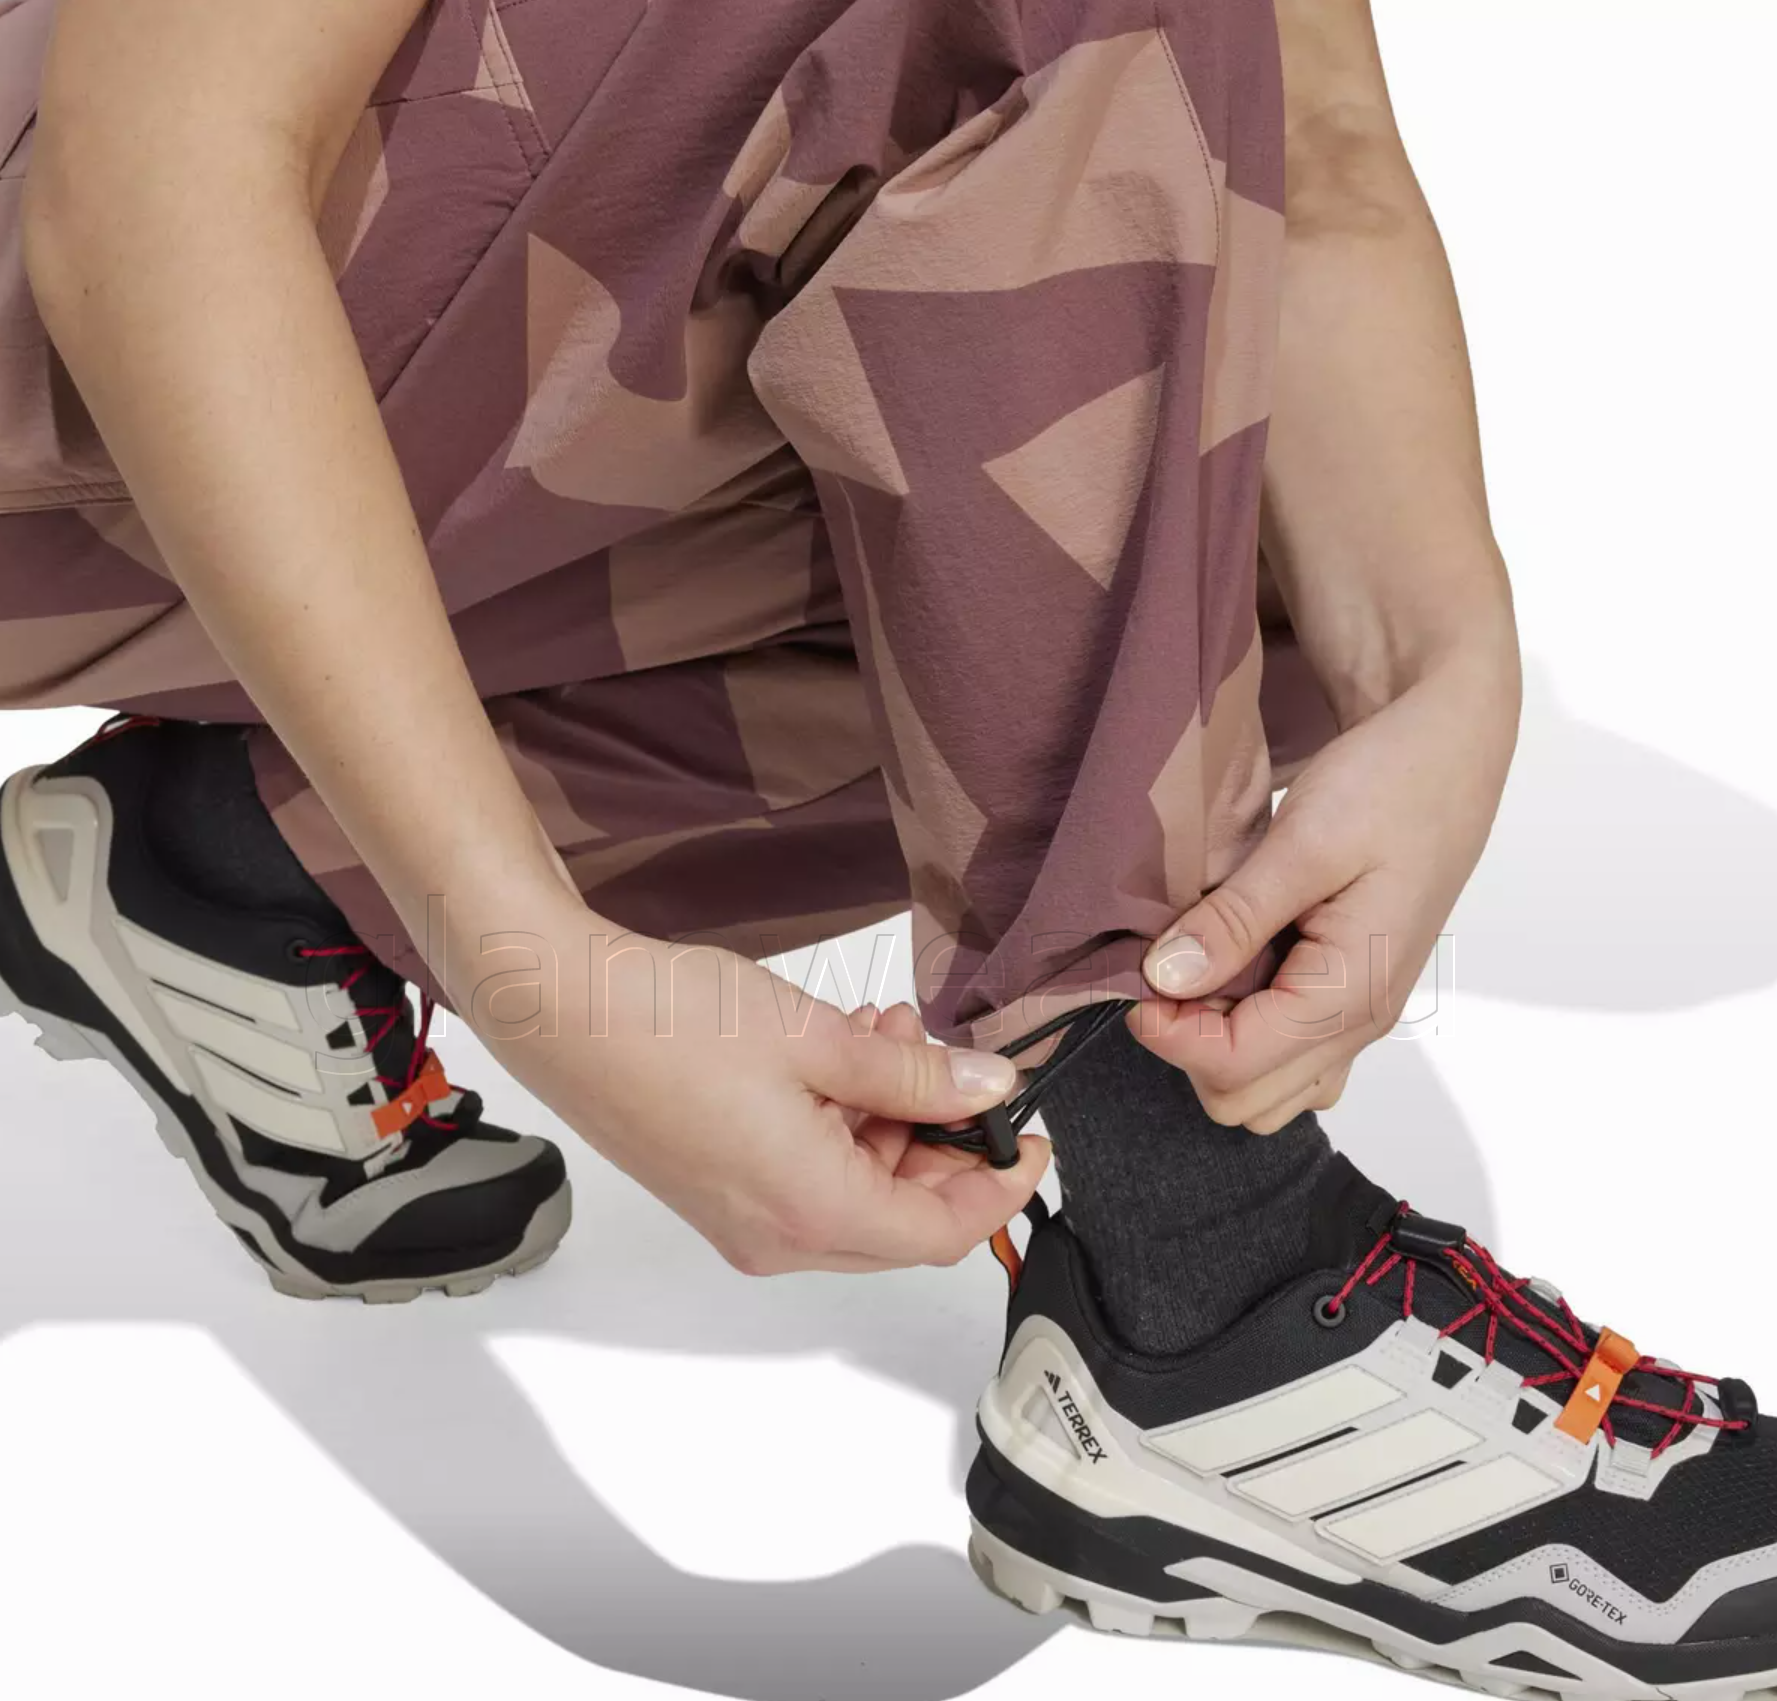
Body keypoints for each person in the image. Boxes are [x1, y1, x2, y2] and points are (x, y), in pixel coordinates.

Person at [1, 0, 1771, 1691]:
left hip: (229, 388)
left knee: (1228, 485)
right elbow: (156, 179)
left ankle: (239, 865)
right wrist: (523, 955)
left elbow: (1313, 143)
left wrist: (1445, 676)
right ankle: (1212, 1285)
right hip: (111, 289)